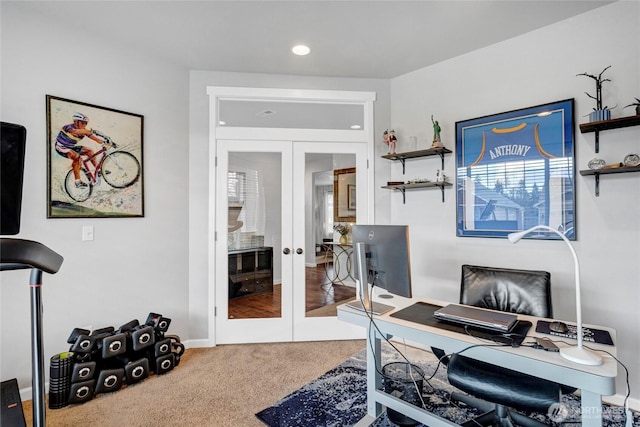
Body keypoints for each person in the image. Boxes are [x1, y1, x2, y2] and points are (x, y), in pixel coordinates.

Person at [55, 112, 104, 187]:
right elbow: (76, 131)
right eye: (82, 123)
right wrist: (90, 131)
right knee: (77, 158)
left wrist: (103, 141)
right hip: (61, 147)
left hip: (71, 147)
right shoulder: (68, 127)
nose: (84, 125)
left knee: (90, 151)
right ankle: (78, 182)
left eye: (86, 123)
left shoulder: (84, 130)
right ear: (75, 121)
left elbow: (93, 137)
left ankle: (98, 170)